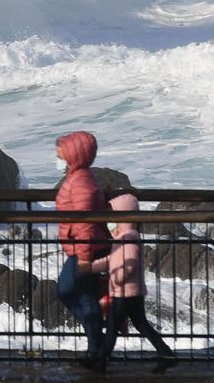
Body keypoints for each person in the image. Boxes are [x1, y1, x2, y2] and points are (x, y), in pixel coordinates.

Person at [89, 192, 178, 367]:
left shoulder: (128, 238)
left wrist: (117, 280)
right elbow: (111, 260)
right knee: (141, 325)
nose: (110, 223)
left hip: (125, 291)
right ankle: (166, 354)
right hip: (132, 291)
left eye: (113, 218)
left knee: (113, 327)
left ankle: (100, 360)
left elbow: (130, 264)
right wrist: (92, 267)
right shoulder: (123, 238)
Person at [52, 130, 110, 369]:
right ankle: (95, 347)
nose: (58, 157)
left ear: (74, 154)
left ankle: (97, 346)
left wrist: (85, 257)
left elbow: (85, 221)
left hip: (85, 249)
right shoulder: (78, 177)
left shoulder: (81, 181)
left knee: (69, 291)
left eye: (61, 153)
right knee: (83, 296)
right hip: (82, 247)